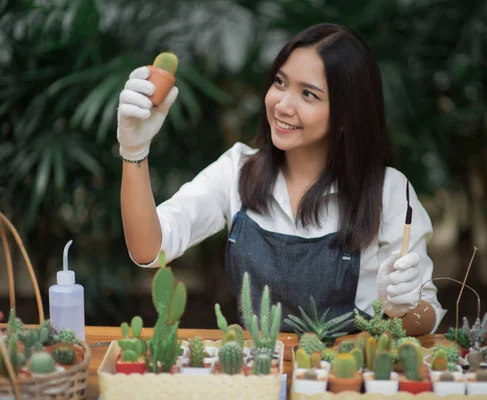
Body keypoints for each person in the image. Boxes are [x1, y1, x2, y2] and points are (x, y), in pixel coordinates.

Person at [117, 23, 446, 335]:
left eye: (308, 95)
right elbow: (150, 249)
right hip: (259, 372)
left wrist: (401, 309)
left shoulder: (388, 191)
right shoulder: (236, 171)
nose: (282, 105)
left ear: (346, 114)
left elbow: (427, 313)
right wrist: (134, 149)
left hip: (347, 378)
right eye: (280, 82)